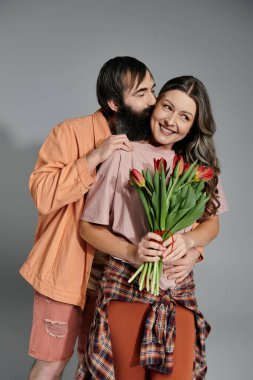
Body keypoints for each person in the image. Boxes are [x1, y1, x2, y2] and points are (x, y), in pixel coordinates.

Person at [77, 76, 228, 379]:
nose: (172, 121)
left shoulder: (195, 166)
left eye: (184, 116)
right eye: (167, 107)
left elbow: (212, 223)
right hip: (126, 288)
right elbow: (87, 228)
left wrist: (191, 245)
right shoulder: (123, 154)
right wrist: (133, 251)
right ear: (154, 106)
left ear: (194, 125)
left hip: (177, 291)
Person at [19, 56, 159, 380]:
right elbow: (42, 194)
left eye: (153, 90)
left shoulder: (147, 144)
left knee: (96, 367)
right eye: (142, 93)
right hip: (64, 277)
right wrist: (93, 158)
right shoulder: (70, 133)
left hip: (118, 280)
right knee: (52, 363)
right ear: (114, 102)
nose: (153, 101)